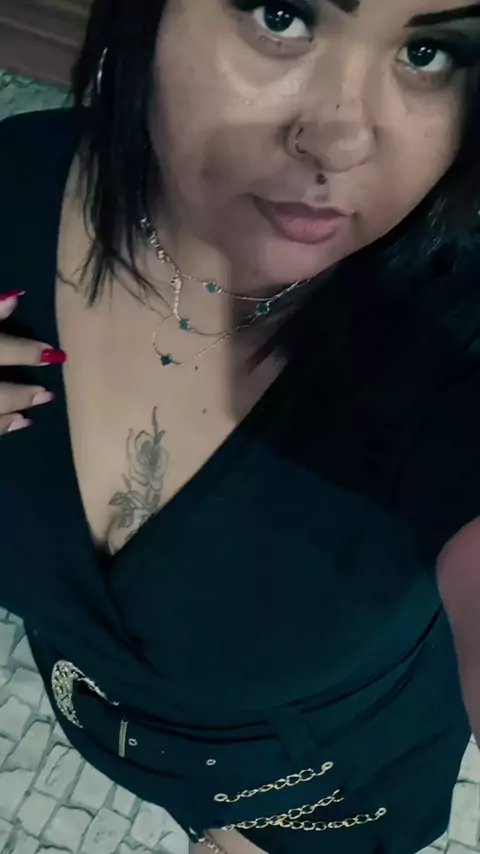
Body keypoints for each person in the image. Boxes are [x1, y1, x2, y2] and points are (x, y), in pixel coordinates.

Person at [1, 0, 480, 852]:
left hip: (324, 794)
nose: (340, 141)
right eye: (282, 15)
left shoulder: (452, 330)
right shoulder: (12, 189)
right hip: (105, 720)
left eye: (429, 52)